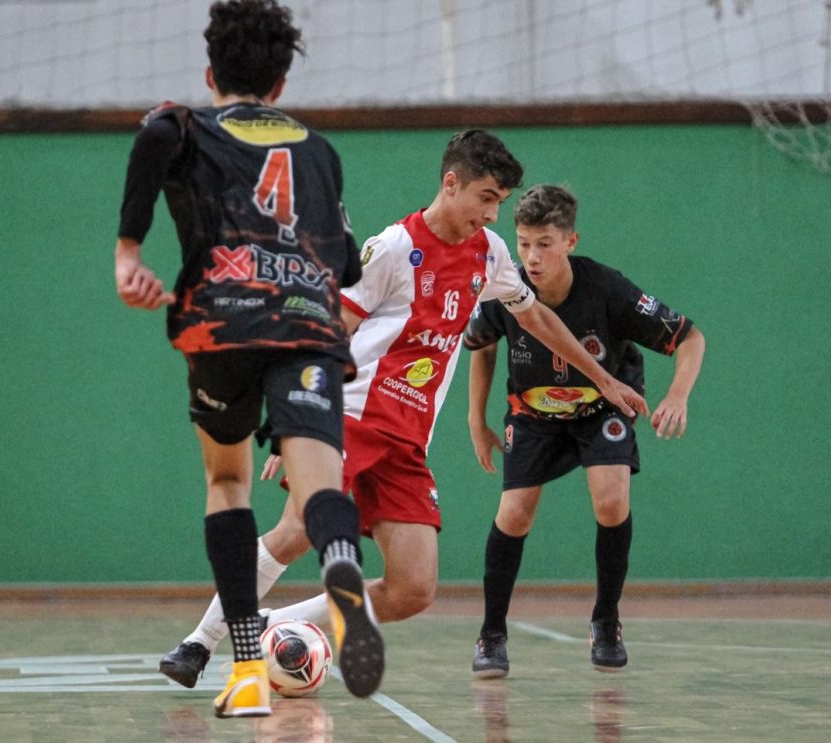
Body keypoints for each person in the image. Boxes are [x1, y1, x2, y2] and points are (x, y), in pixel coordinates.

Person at [157, 131, 650, 689]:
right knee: (297, 529)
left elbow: (534, 317)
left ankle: (273, 622)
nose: (492, 214)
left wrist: (604, 379)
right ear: (450, 183)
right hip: (349, 418)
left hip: (407, 441)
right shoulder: (392, 249)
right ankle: (199, 643)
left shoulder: (489, 254)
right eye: (485, 198)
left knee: (413, 588)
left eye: (499, 203)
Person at [114, 0, 383, 717]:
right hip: (307, 326)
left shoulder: (185, 125)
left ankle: (245, 671)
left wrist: (129, 251)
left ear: (211, 73)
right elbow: (351, 265)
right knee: (319, 491)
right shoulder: (321, 152)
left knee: (229, 482)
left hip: (221, 324)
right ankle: (343, 574)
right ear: (282, 85)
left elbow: (151, 133)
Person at [465, 184, 705, 676]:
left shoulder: (607, 289)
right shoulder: (507, 286)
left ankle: (607, 620)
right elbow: (482, 344)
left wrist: (677, 394)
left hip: (602, 405)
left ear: (570, 241)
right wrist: (477, 418)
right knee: (514, 513)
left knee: (612, 499)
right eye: (524, 243)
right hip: (533, 413)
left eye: (544, 244)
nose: (532, 257)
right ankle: (491, 634)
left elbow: (690, 337)